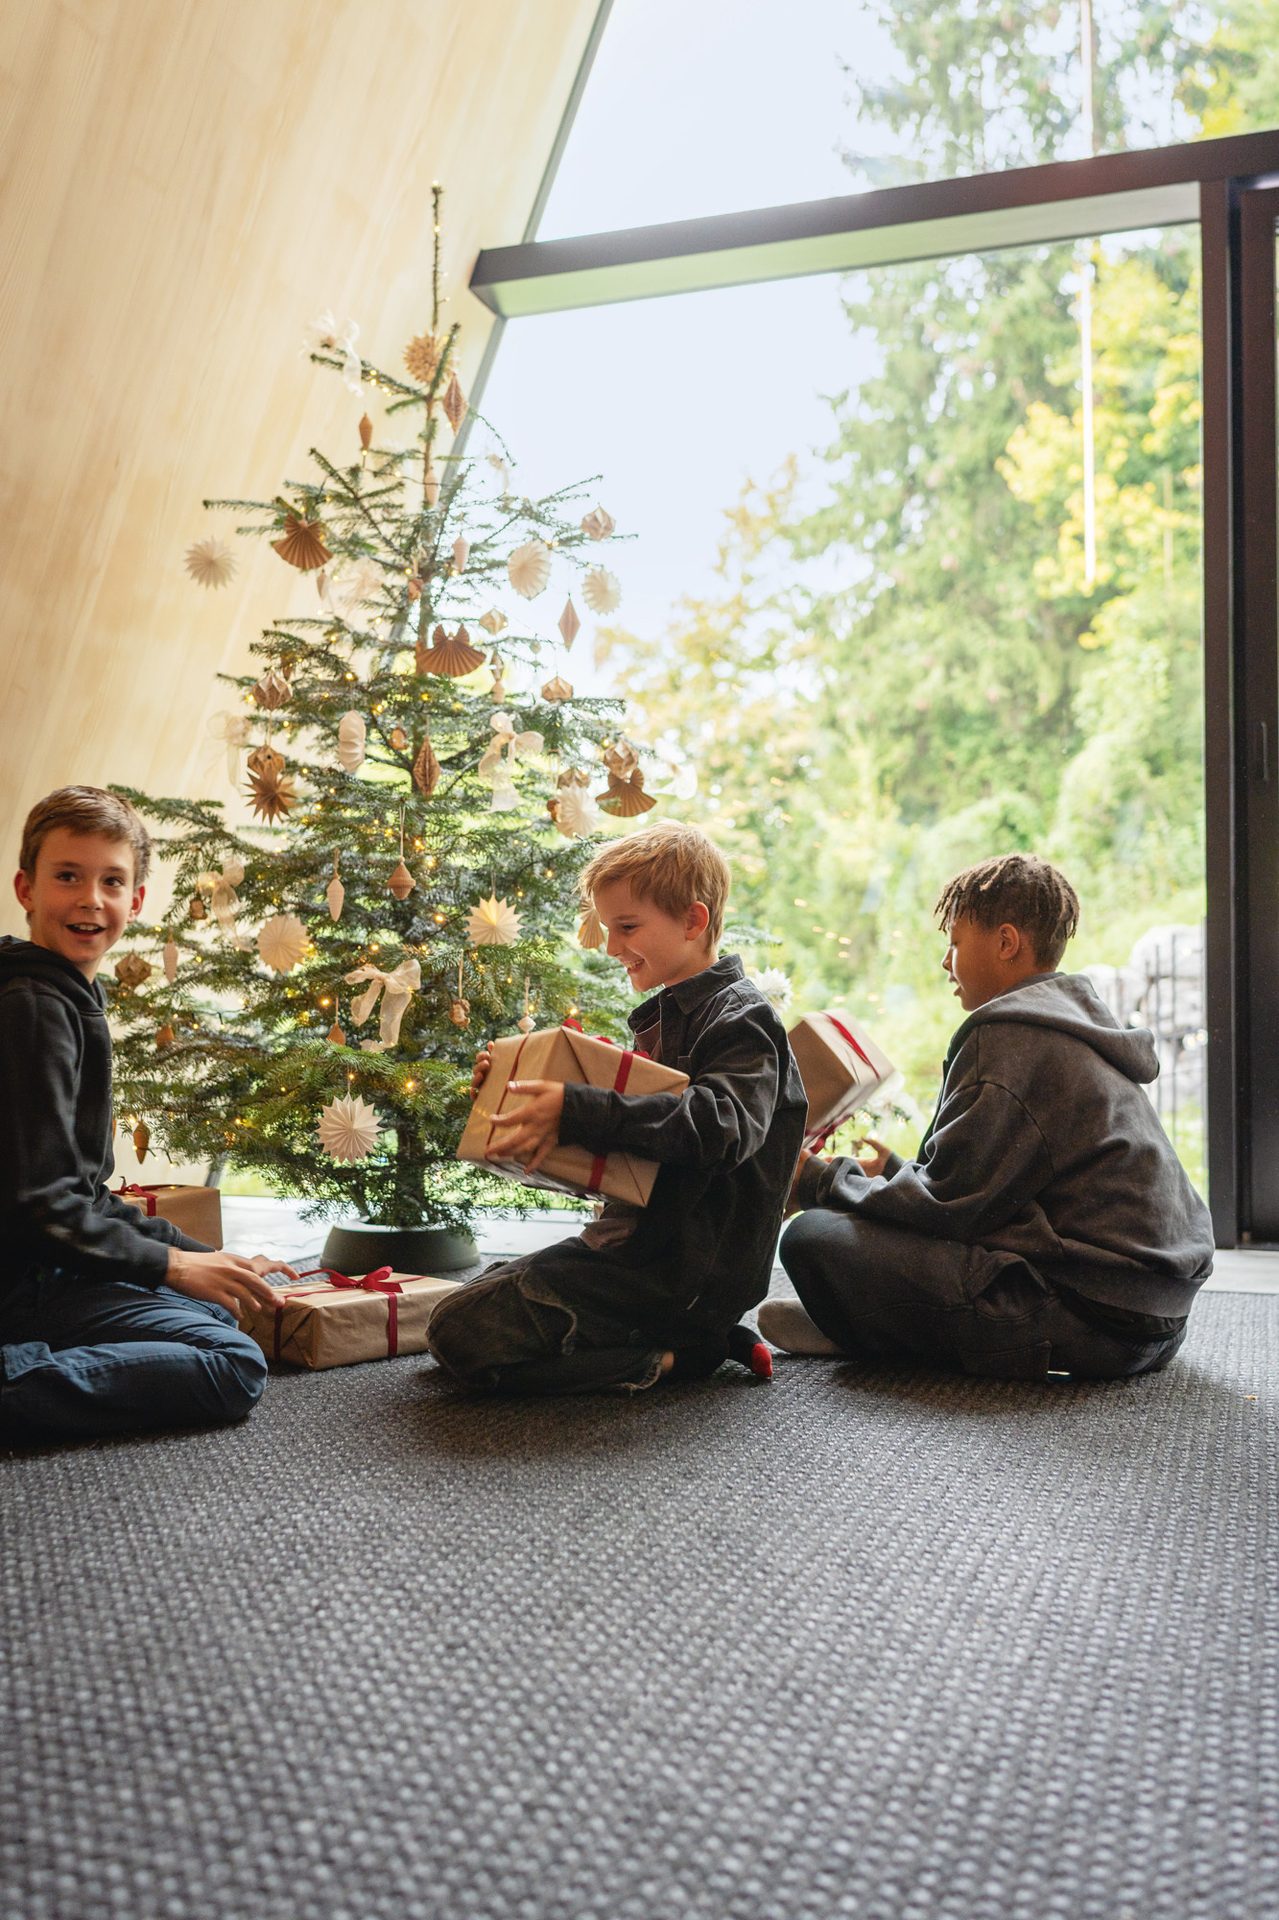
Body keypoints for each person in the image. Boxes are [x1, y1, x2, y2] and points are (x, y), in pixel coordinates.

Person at [760, 853, 1214, 1382]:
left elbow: (954, 1209)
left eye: (954, 943)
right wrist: (890, 1172)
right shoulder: (1069, 1024)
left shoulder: (1012, 1037)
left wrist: (817, 1178)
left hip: (1094, 1322)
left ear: (1005, 943)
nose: (945, 962)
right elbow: (998, 1190)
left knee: (812, 1236)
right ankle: (870, 1324)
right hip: (1156, 1320)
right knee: (855, 1221)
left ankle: (869, 1330)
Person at [427, 821, 808, 1394]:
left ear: (693, 920)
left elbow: (719, 1127)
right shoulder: (668, 1018)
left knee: (459, 1334)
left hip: (681, 1271)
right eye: (608, 928)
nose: (610, 947)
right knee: (467, 1303)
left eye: (627, 927)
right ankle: (698, 1337)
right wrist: (511, 1093)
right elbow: (633, 1157)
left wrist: (579, 1110)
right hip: (640, 1249)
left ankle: (683, 1353)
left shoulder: (742, 1020)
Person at [0, 786, 291, 1444]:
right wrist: (176, 1269)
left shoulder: (66, 994)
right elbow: (38, 1206)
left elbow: (83, 1194)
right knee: (231, 1361)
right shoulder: (33, 1007)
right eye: (67, 877)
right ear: (26, 887)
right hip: (22, 1281)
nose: (89, 900)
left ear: (135, 900)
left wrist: (210, 1257)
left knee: (216, 1314)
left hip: (44, 1266)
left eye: (111, 881)